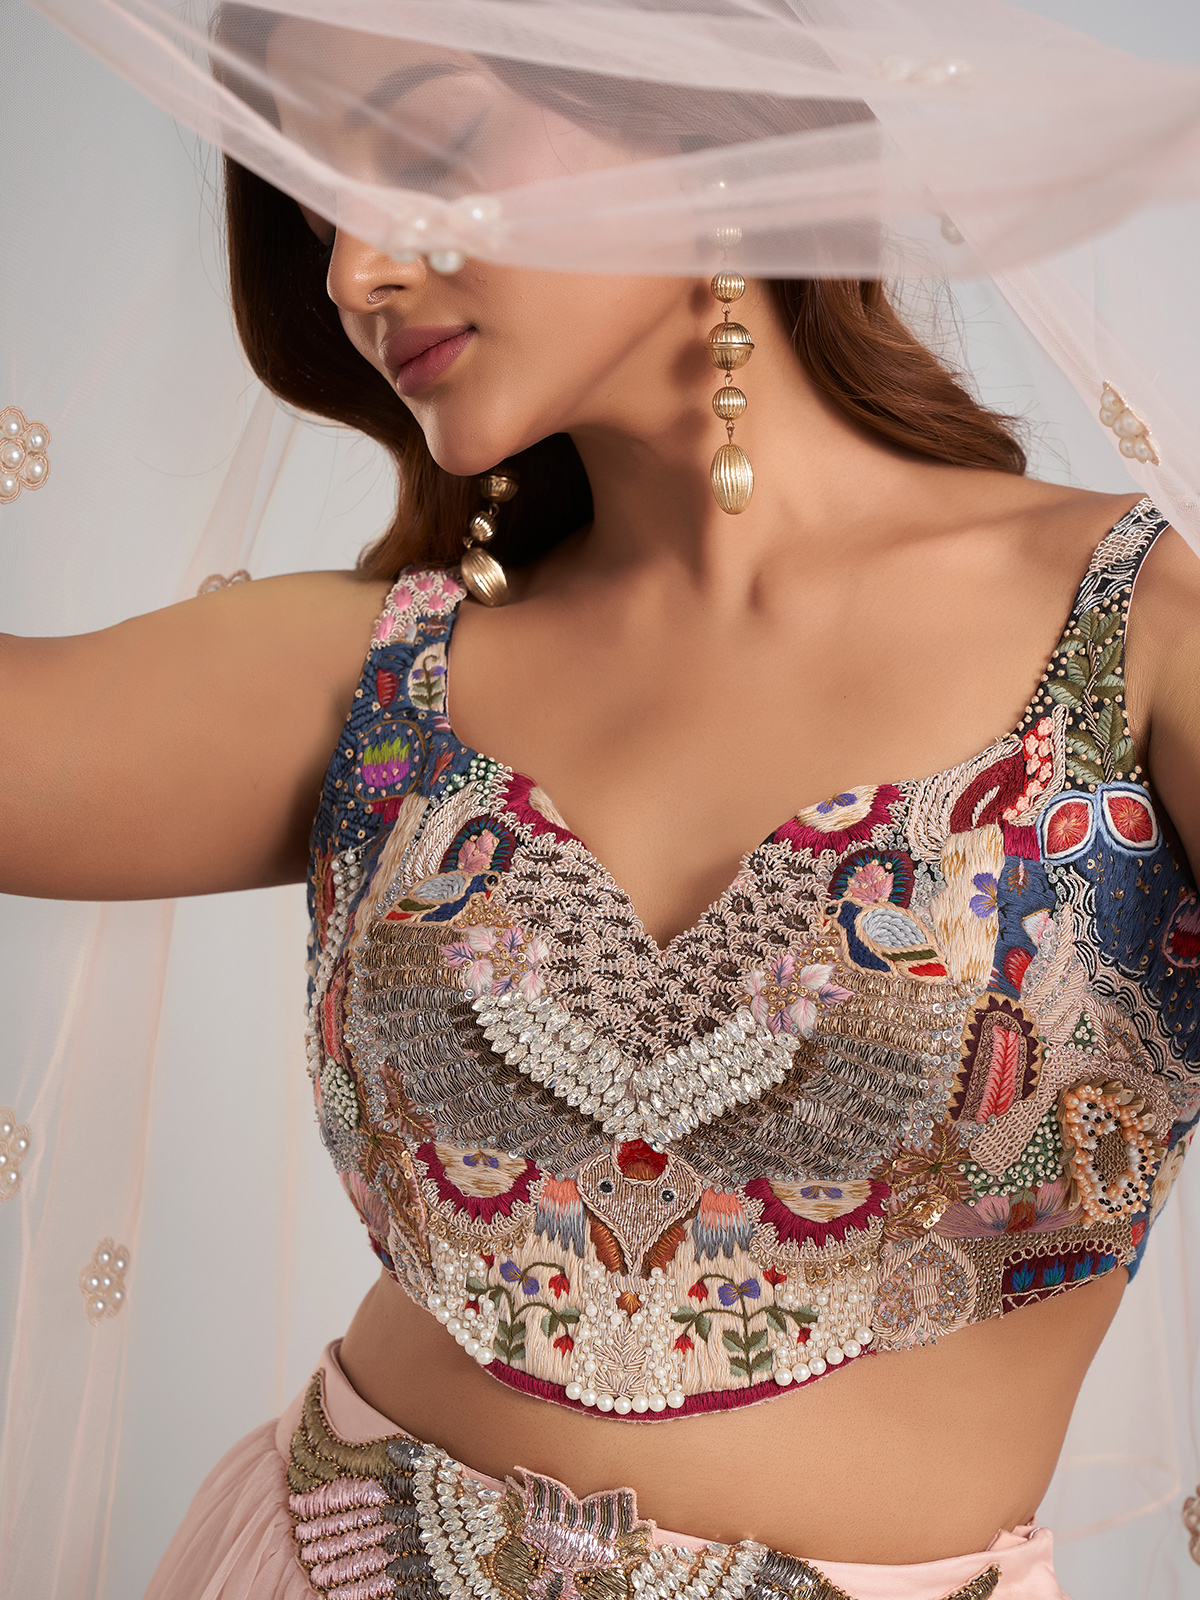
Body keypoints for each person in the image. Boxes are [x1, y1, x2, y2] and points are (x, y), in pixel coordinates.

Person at [4, 7, 1200, 1599]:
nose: (357, 269)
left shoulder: (1138, 641)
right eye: (315, 204)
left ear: (696, 106)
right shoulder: (384, 682)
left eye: (424, 148)